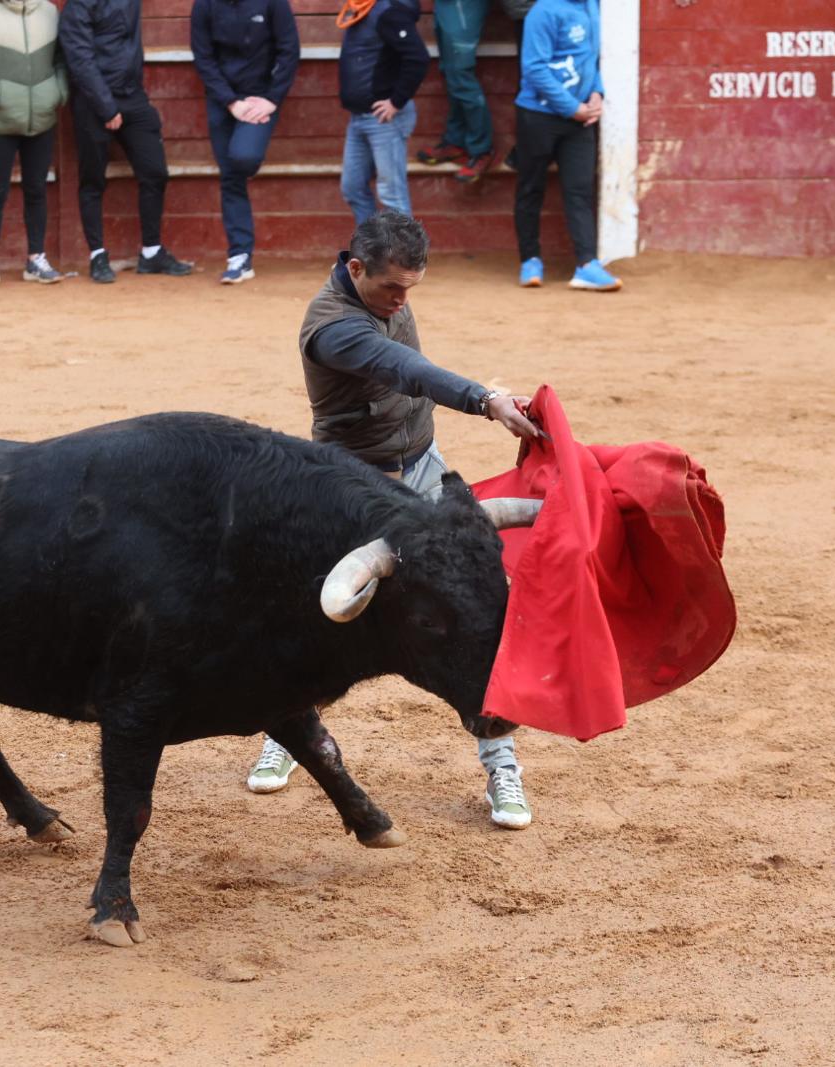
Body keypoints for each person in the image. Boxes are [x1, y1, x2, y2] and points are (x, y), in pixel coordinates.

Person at [245, 211, 543, 830]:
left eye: (411, 288)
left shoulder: (386, 292)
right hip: (349, 486)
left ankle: (500, 758)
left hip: (421, 465)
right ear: (355, 270)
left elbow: (415, 373)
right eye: (392, 289)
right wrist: (484, 400)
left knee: (471, 612)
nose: (402, 301)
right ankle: (290, 728)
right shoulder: (332, 328)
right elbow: (404, 369)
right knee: (320, 620)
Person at [59, 0, 193, 283]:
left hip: (132, 96)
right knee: (92, 180)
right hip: (93, 100)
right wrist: (106, 106)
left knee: (155, 172)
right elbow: (80, 59)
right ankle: (97, 255)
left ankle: (152, 252)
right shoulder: (78, 6)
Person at [0, 0, 67, 290]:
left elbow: (61, 62)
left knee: (37, 189)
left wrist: (56, 93)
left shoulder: (49, 12)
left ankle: (36, 259)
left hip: (42, 119)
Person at [512, 0, 620, 291]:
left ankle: (587, 264)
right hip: (539, 115)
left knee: (580, 191)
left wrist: (597, 91)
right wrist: (572, 107)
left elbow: (592, 57)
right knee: (531, 187)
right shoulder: (543, 11)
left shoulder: (591, 6)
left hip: (579, 117)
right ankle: (530, 260)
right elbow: (534, 67)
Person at [190, 0, 300, 284]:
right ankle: (240, 256)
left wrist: (272, 100)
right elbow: (203, 57)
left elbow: (289, 50)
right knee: (230, 176)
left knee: (242, 159)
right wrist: (230, 102)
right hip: (222, 101)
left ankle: (240, 254)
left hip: (262, 99)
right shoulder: (205, 4)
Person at [336, 0, 429, 223]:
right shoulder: (360, 10)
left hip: (385, 119)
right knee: (353, 187)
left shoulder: (390, 13)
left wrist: (396, 101)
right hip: (358, 116)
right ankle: (372, 252)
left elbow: (418, 58)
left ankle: (402, 257)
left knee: (392, 196)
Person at [416, 0, 495, 182]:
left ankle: (482, 149)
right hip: (445, 5)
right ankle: (456, 140)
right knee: (450, 72)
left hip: (465, 5)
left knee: (461, 75)